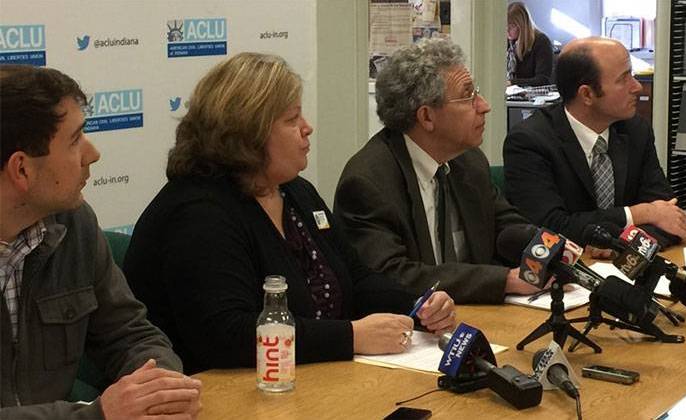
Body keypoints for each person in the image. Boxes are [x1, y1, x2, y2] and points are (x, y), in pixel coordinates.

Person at [122, 53, 456, 375]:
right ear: (248, 133)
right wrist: (352, 337)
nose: (307, 128)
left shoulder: (295, 191)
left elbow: (356, 278)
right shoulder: (197, 213)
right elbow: (228, 335)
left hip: (312, 381)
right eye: (291, 119)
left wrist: (417, 305)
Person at [0, 65, 201, 419]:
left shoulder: (73, 223)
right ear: (22, 170)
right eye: (75, 139)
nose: (92, 154)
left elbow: (130, 334)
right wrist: (97, 415)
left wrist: (159, 389)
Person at [334, 39, 540, 305]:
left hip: (481, 318)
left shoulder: (468, 161)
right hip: (413, 332)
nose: (485, 105)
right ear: (427, 117)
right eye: (469, 96)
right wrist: (505, 280)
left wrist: (548, 249)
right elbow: (392, 275)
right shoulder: (367, 182)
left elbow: (506, 225)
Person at [503, 37, 686, 253]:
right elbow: (548, 229)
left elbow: (669, 216)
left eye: (633, 75)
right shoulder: (530, 141)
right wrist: (640, 214)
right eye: (623, 79)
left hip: (628, 270)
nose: (636, 87)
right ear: (587, 94)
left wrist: (621, 244)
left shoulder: (635, 130)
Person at [506, 2, 554, 87]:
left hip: (532, 97)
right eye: (505, 26)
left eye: (511, 26)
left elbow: (542, 80)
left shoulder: (541, 42)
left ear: (522, 26)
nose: (507, 31)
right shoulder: (507, 43)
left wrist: (512, 82)